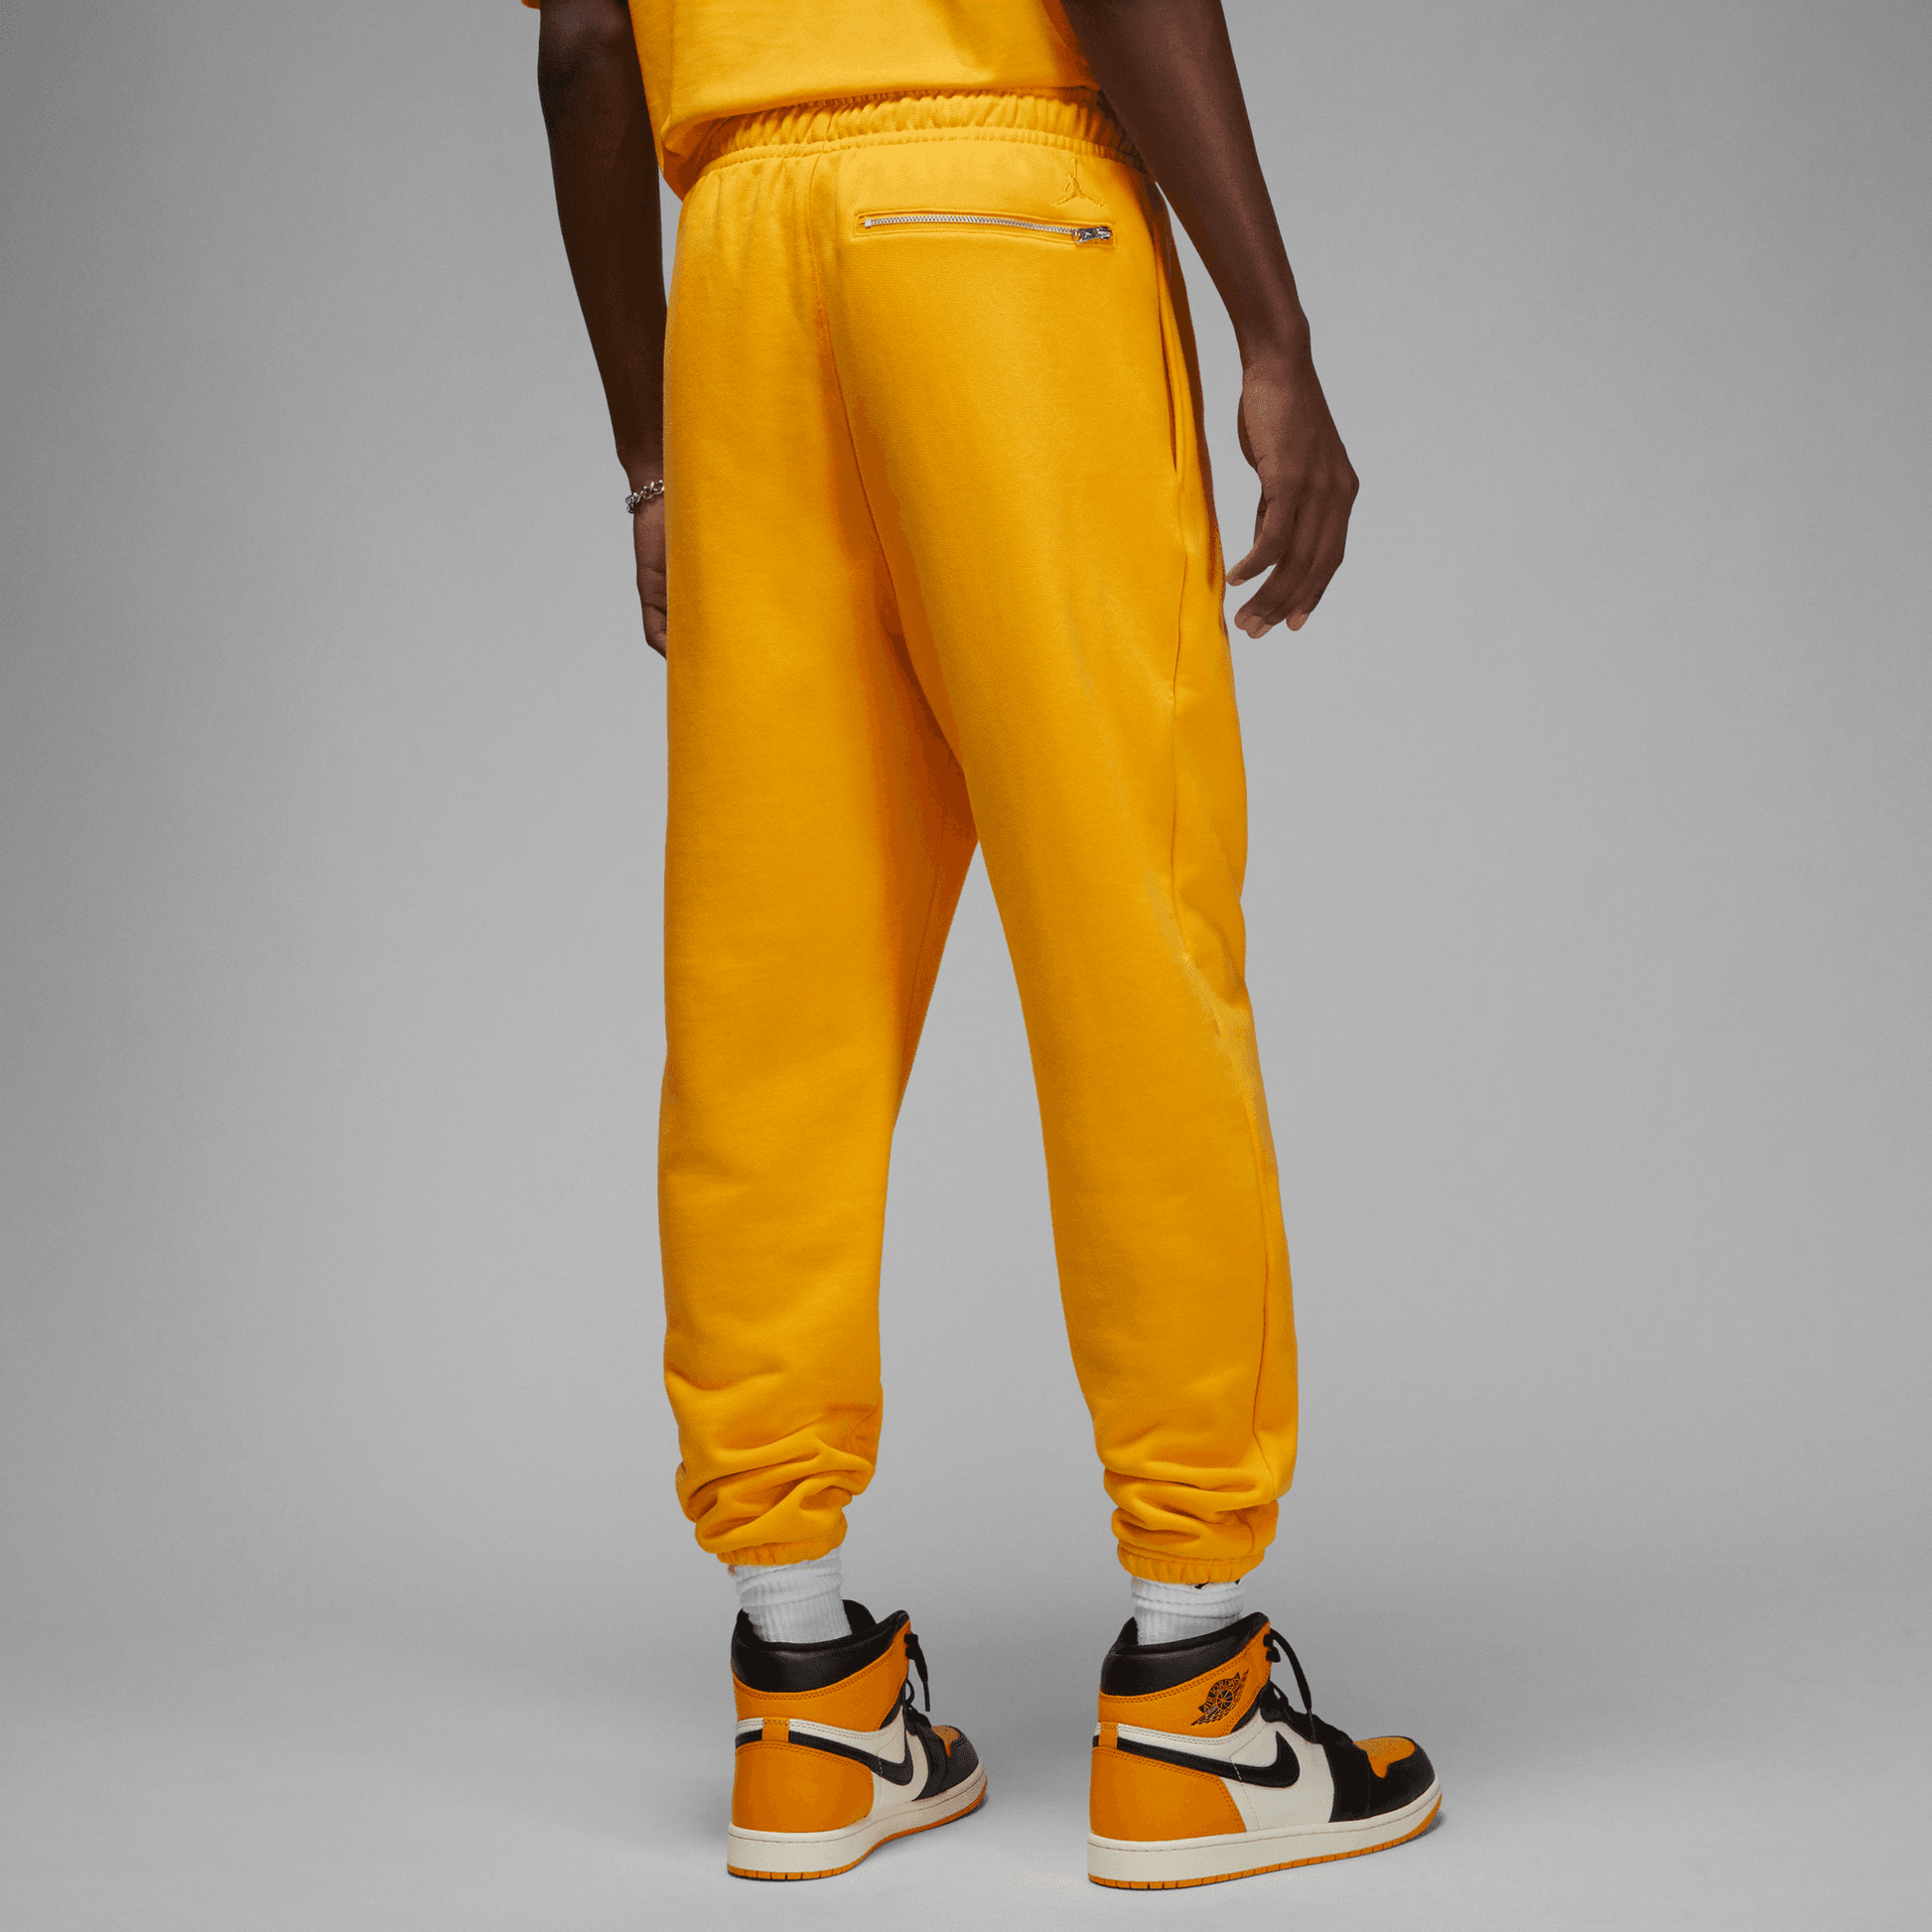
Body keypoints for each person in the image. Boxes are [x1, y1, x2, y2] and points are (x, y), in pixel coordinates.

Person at [526, 0, 1438, 1888]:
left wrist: (649, 457)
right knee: (1127, 931)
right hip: (1002, 219)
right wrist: (1273, 334)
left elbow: (585, 52)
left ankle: (803, 1689)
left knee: (769, 971)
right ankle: (1194, 1697)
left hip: (744, 268)